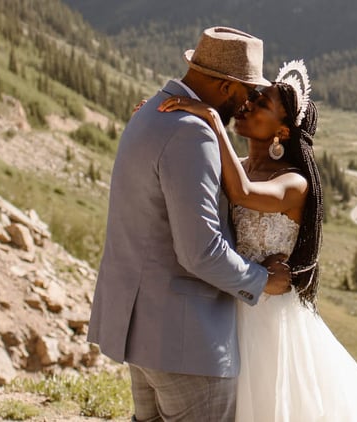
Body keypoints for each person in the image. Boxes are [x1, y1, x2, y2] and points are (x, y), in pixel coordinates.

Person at [158, 60, 357, 421]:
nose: (248, 104)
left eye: (261, 104)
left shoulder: (294, 183)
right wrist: (158, 125)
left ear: (282, 132)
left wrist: (214, 120)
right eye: (254, 97)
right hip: (230, 300)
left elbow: (243, 193)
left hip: (267, 314)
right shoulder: (240, 164)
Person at [86, 27, 293, 422]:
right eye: (248, 93)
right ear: (227, 87)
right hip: (185, 339)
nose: (247, 104)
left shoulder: (152, 112)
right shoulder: (191, 134)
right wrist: (263, 280)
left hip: (142, 330)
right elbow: (201, 252)